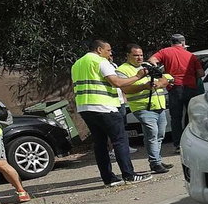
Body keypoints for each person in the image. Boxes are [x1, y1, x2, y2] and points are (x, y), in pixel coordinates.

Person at [72, 38, 148, 187]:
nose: (110, 53)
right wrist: (138, 76)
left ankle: (108, 179)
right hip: (105, 107)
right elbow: (117, 82)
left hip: (85, 108)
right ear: (99, 50)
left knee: (100, 144)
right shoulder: (100, 61)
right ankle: (129, 174)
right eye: (108, 50)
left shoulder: (77, 64)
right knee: (120, 140)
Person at [118, 45, 173, 174]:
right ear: (127, 56)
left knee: (160, 134)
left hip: (158, 105)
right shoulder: (122, 70)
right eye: (136, 55)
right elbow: (125, 88)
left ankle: (157, 160)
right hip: (142, 107)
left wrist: (160, 83)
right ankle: (155, 163)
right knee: (152, 134)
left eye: (141, 55)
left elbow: (167, 77)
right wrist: (144, 86)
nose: (139, 58)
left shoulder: (147, 66)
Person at [151, 34, 200, 144]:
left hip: (174, 87)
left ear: (172, 43)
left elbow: (152, 60)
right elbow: (201, 73)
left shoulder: (165, 52)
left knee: (176, 118)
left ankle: (178, 143)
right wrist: (192, 77)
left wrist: (160, 75)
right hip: (191, 87)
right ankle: (194, 141)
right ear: (183, 43)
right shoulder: (191, 55)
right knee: (193, 116)